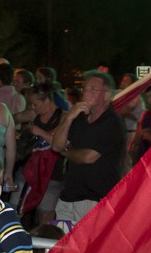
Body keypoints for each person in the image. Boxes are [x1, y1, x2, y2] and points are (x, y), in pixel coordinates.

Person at [49, 70, 125, 227]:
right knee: (62, 244)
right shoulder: (79, 118)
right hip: (69, 195)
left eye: (92, 89)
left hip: (94, 199)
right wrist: (69, 117)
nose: (86, 93)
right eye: (85, 89)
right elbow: (56, 145)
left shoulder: (112, 123)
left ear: (106, 95)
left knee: (85, 248)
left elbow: (88, 157)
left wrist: (66, 152)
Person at [20, 82, 65, 224]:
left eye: (35, 104)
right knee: (16, 209)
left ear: (46, 100)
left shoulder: (63, 118)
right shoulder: (34, 114)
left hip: (52, 174)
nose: (33, 107)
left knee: (46, 216)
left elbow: (61, 144)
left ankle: (44, 245)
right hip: (29, 171)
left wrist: (40, 132)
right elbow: (10, 117)